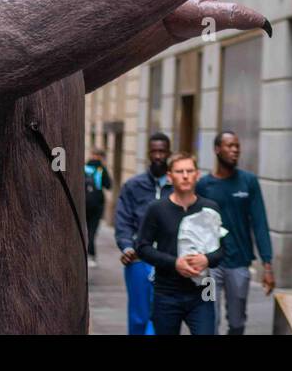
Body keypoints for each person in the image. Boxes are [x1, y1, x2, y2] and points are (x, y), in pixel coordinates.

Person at [135, 152, 226, 335]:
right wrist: (174, 263)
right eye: (179, 171)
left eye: (189, 171)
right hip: (167, 292)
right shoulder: (157, 209)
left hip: (202, 292)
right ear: (170, 176)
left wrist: (206, 260)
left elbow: (222, 250)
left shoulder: (210, 208)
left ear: (197, 174)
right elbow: (142, 248)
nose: (185, 176)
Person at [196, 131, 274, 335]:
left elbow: (259, 223)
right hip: (208, 266)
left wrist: (267, 264)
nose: (235, 150)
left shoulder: (249, 182)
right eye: (229, 146)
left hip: (239, 262)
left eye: (237, 146)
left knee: (238, 322)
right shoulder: (203, 185)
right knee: (207, 317)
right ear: (217, 149)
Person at [115, 133, 173, 335]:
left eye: (162, 151)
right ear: (149, 153)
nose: (158, 156)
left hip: (167, 260)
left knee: (162, 315)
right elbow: (123, 221)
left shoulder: (177, 186)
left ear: (169, 153)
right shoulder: (133, 186)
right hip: (139, 259)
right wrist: (127, 247)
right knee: (139, 317)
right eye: (154, 151)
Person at [83, 148, 113, 268]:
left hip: (84, 202)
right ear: (101, 157)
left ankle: (82, 253)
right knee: (92, 230)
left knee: (83, 228)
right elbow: (108, 185)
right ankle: (91, 255)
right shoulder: (101, 169)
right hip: (97, 204)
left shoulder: (84, 168)